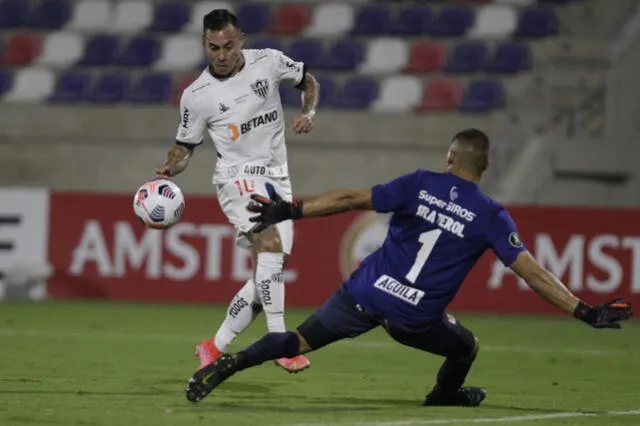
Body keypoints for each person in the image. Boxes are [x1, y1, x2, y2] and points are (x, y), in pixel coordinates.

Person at [183, 128, 633, 405]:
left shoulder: (420, 183)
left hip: (366, 292)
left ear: (450, 158)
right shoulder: (492, 216)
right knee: (466, 346)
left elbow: (349, 199)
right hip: (414, 318)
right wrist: (583, 310)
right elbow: (531, 271)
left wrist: (289, 210)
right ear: (487, 165)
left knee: (298, 338)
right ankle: (443, 396)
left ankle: (233, 361)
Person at [155, 9, 320, 373]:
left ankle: (213, 347)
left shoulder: (270, 62)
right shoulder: (197, 95)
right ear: (204, 45)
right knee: (272, 247)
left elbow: (309, 82)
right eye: (213, 47)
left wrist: (309, 112)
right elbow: (184, 146)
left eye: (228, 46)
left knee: (268, 274)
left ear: (241, 40)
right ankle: (281, 343)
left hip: (278, 177)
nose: (221, 55)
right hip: (236, 176)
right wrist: (172, 166)